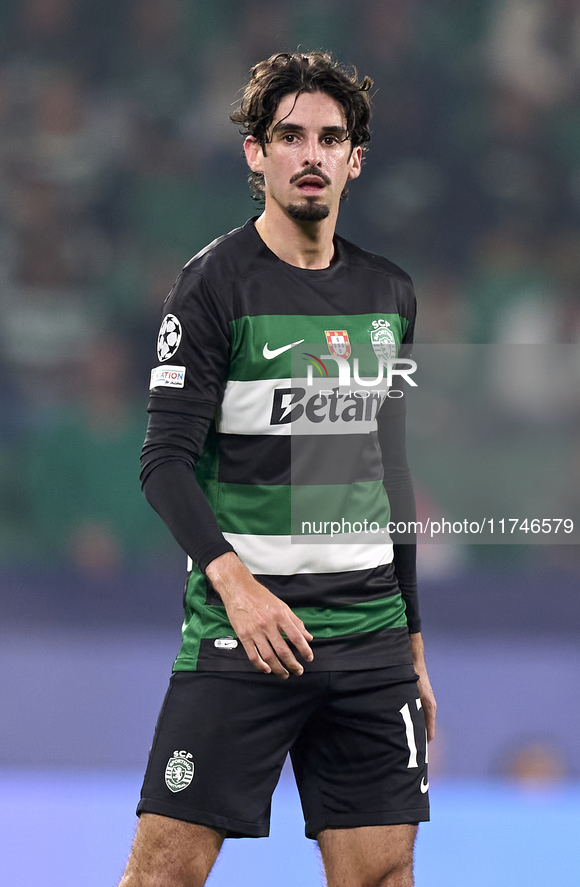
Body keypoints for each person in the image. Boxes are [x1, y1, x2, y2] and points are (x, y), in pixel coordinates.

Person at [119, 51, 436, 887]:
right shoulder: (212, 285)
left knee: (381, 875)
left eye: (330, 139)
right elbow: (163, 463)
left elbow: (389, 470)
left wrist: (411, 641)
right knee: (163, 873)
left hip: (368, 643)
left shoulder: (390, 293)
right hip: (241, 639)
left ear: (353, 160)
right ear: (255, 153)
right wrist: (238, 585)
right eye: (289, 136)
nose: (310, 154)